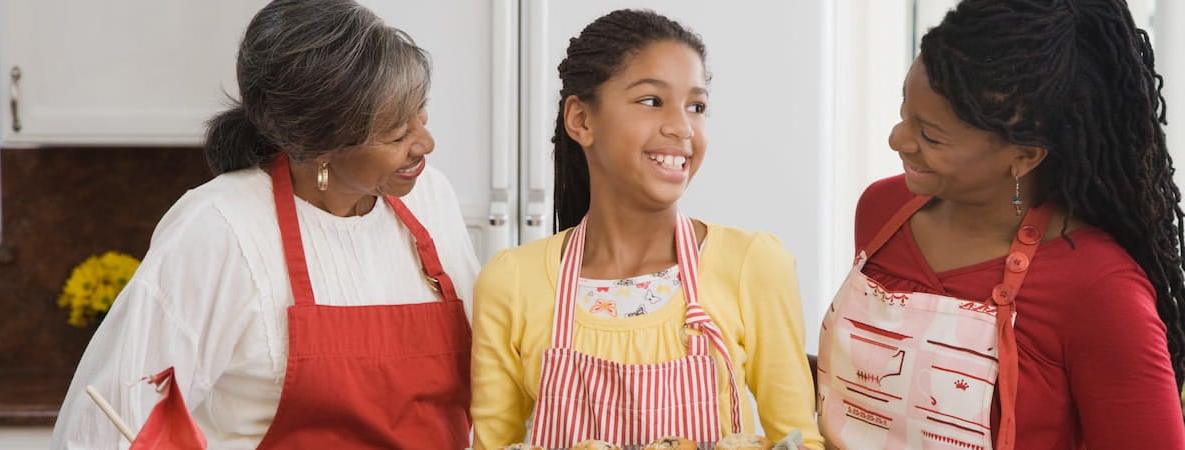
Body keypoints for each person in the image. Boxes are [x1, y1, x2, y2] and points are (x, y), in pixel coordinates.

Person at [50, 0, 479, 448]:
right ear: (319, 143)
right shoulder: (219, 228)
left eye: (421, 115)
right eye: (396, 134)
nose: (425, 143)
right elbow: (103, 423)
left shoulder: (432, 199)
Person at [816, 0, 1185, 449]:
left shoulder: (1101, 289)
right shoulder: (882, 210)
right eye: (903, 110)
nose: (897, 139)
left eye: (931, 135)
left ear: (1024, 156)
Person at [470, 9, 822, 450]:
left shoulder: (753, 264)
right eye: (652, 101)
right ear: (581, 120)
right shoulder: (511, 282)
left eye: (697, 107)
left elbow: (800, 441)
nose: (681, 127)